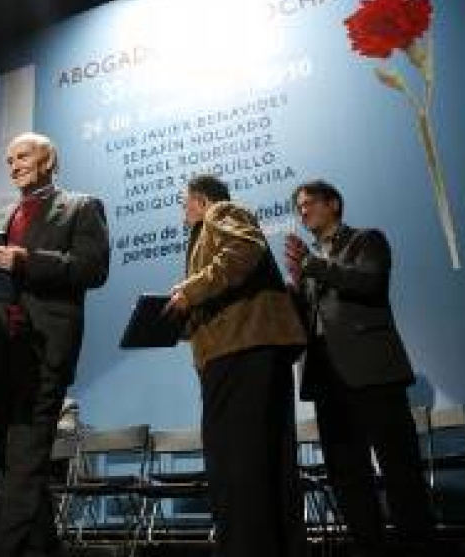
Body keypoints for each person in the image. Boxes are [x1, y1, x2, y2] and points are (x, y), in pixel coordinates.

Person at [0, 132, 110, 557]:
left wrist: (29, 260)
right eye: (9, 160)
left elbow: (93, 269)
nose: (14, 165)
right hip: (0, 348)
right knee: (12, 462)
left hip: (44, 350)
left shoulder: (81, 207)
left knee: (25, 460)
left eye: (22, 156)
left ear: (48, 160)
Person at [285, 180, 439, 557]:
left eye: (309, 203)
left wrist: (311, 265)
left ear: (334, 204)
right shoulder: (309, 262)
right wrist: (295, 288)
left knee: (399, 468)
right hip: (326, 377)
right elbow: (309, 320)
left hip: (373, 373)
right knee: (346, 474)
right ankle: (368, 546)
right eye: (299, 207)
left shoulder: (366, 240)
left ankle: (418, 545)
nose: (303, 211)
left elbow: (369, 284)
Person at [163, 175, 306, 557]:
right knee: (261, 459)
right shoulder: (206, 230)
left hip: (240, 353)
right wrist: (175, 318)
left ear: (200, 200)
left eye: (184, 203)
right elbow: (225, 292)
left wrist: (189, 291)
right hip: (244, 350)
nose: (182, 211)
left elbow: (244, 250)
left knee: (237, 462)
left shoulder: (221, 211)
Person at [0, 396, 87, 508]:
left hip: (58, 467)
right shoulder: (30, 406)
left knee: (21, 462)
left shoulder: (68, 403)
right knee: (18, 461)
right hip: (39, 462)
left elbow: (68, 427)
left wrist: (40, 429)